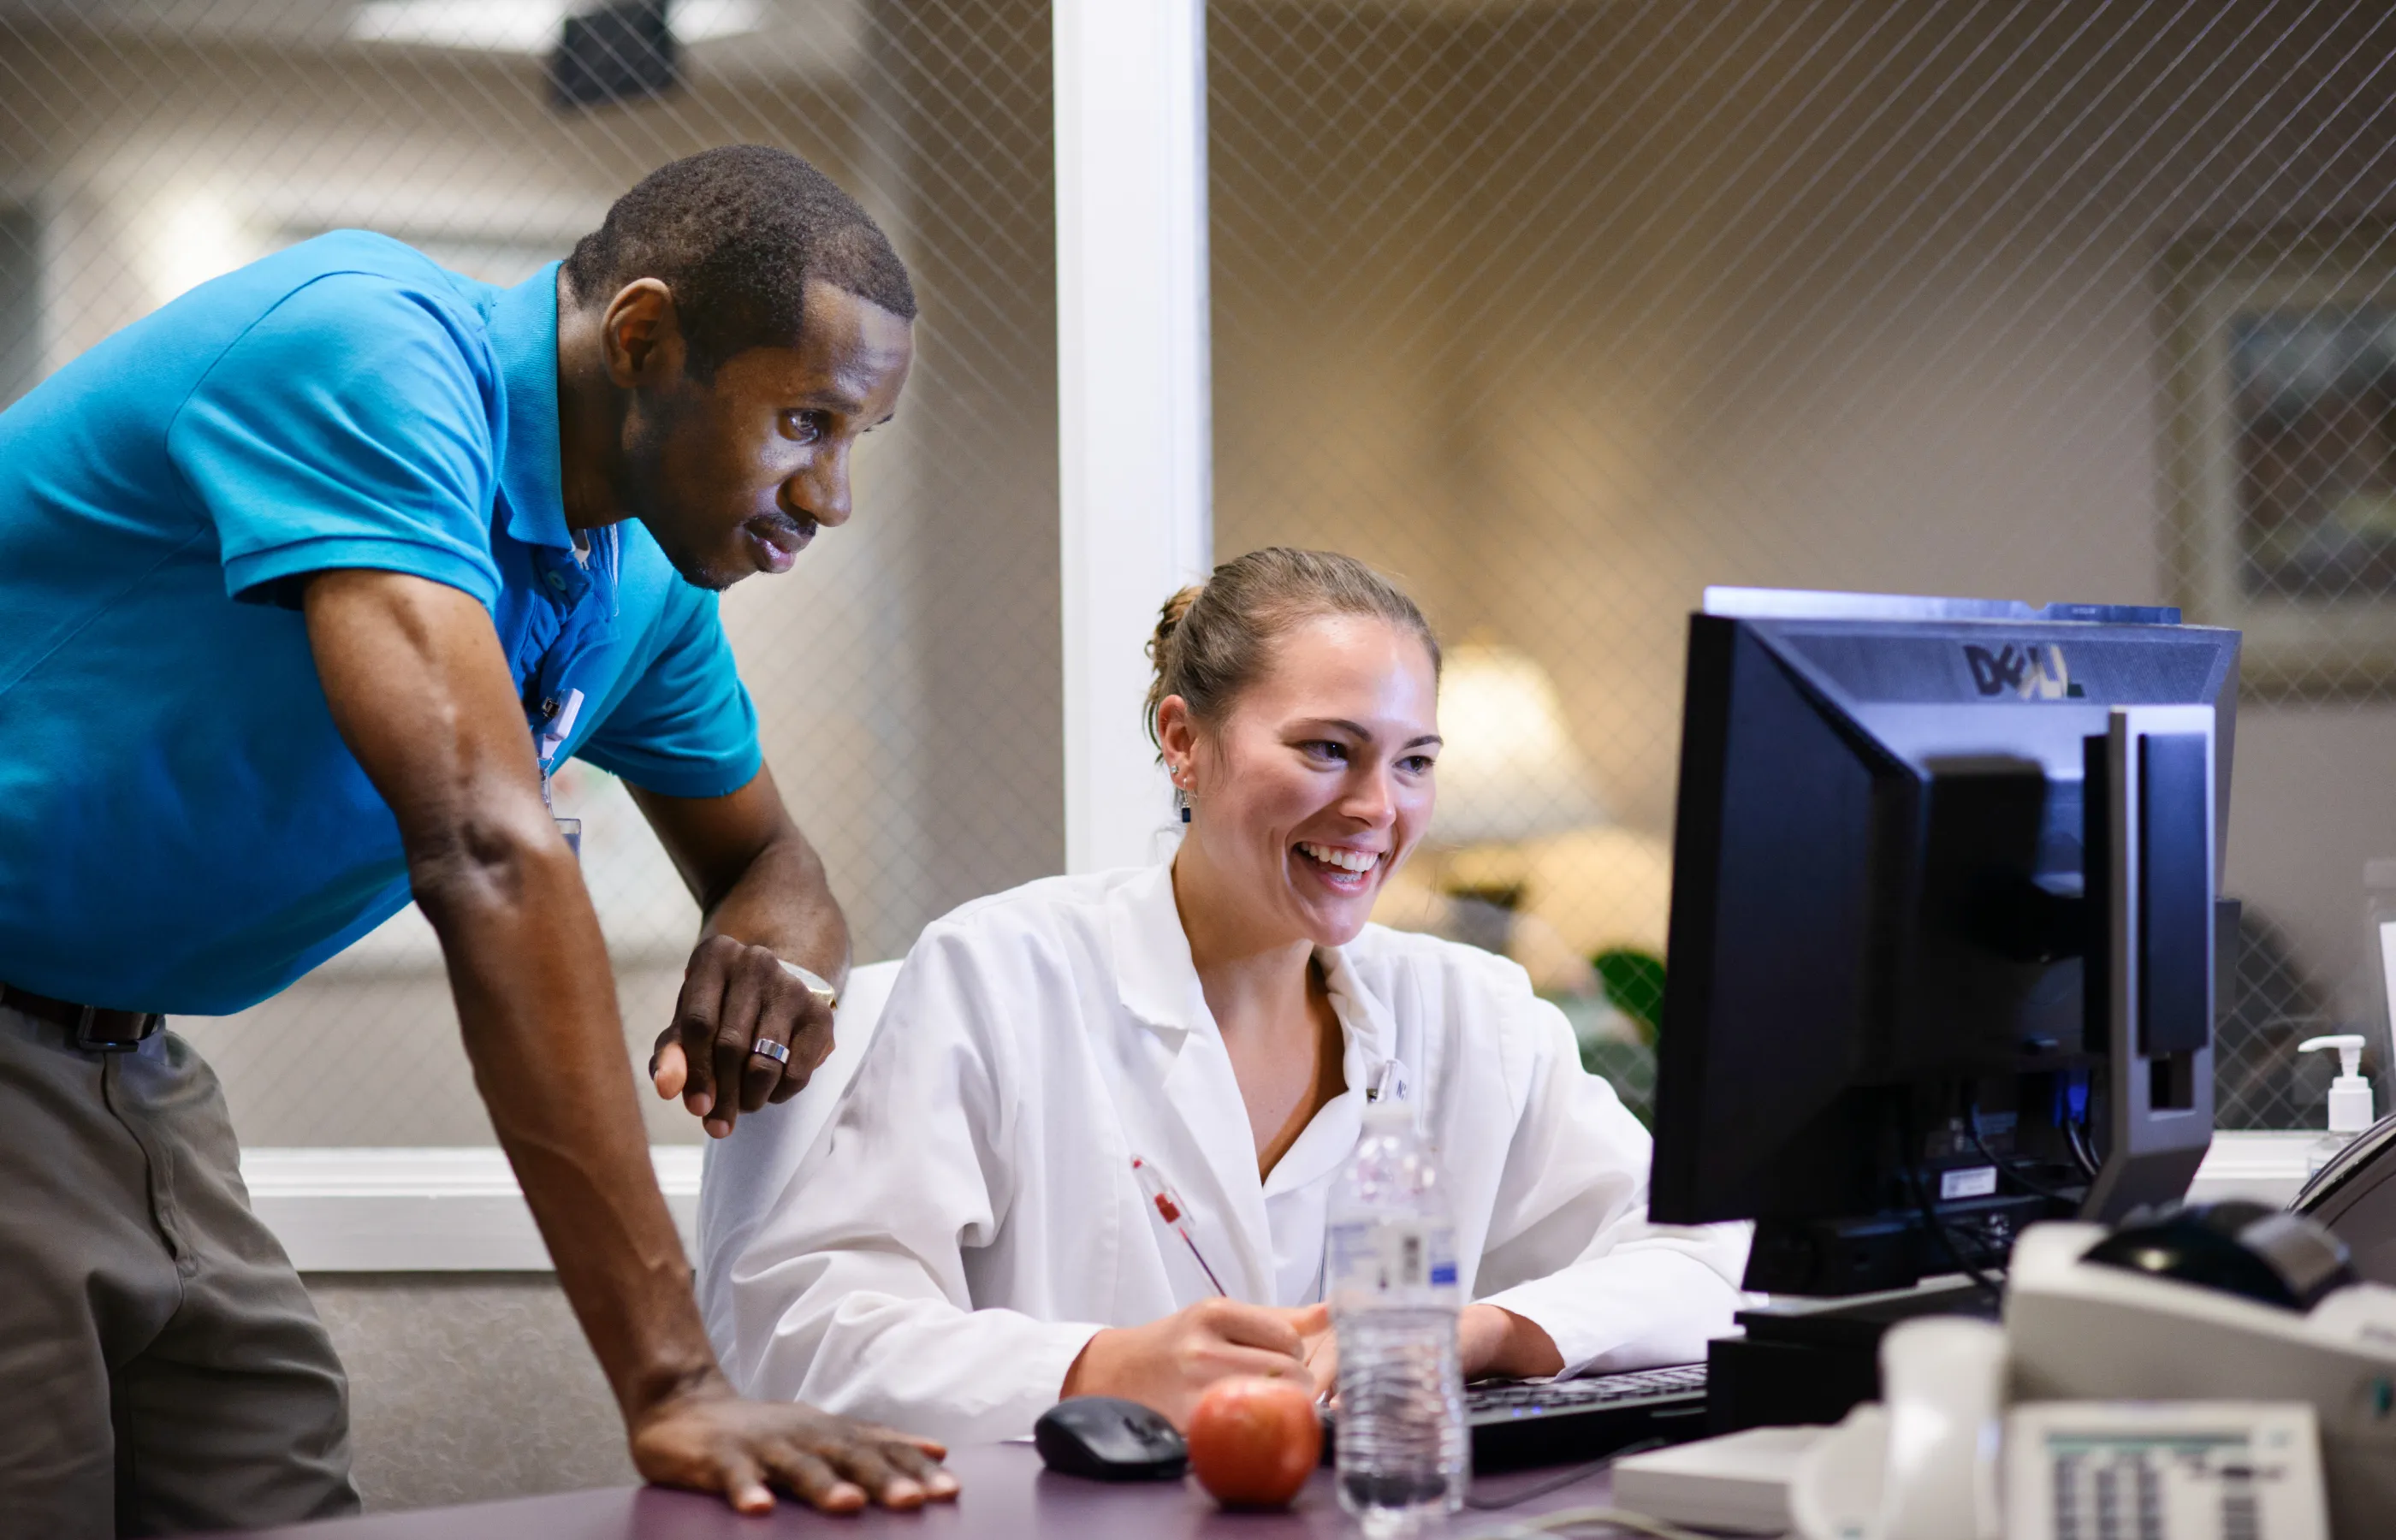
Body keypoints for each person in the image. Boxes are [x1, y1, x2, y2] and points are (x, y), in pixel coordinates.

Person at [0, 145, 960, 1535]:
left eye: (854, 440)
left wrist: (781, 949)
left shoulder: (636, 586)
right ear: (642, 336)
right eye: (806, 421)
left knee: (265, 1461)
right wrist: (675, 1380)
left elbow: (773, 867)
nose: (832, 495)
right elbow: (488, 850)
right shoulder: (367, 350)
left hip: (127, 1062)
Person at [713, 548, 1749, 1444]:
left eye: (1415, 761)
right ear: (1183, 740)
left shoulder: (1475, 1014)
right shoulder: (1003, 971)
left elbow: (1710, 1259)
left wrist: (1479, 1330)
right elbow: (807, 1325)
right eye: (1325, 750)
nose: (1377, 810)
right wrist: (1093, 1368)